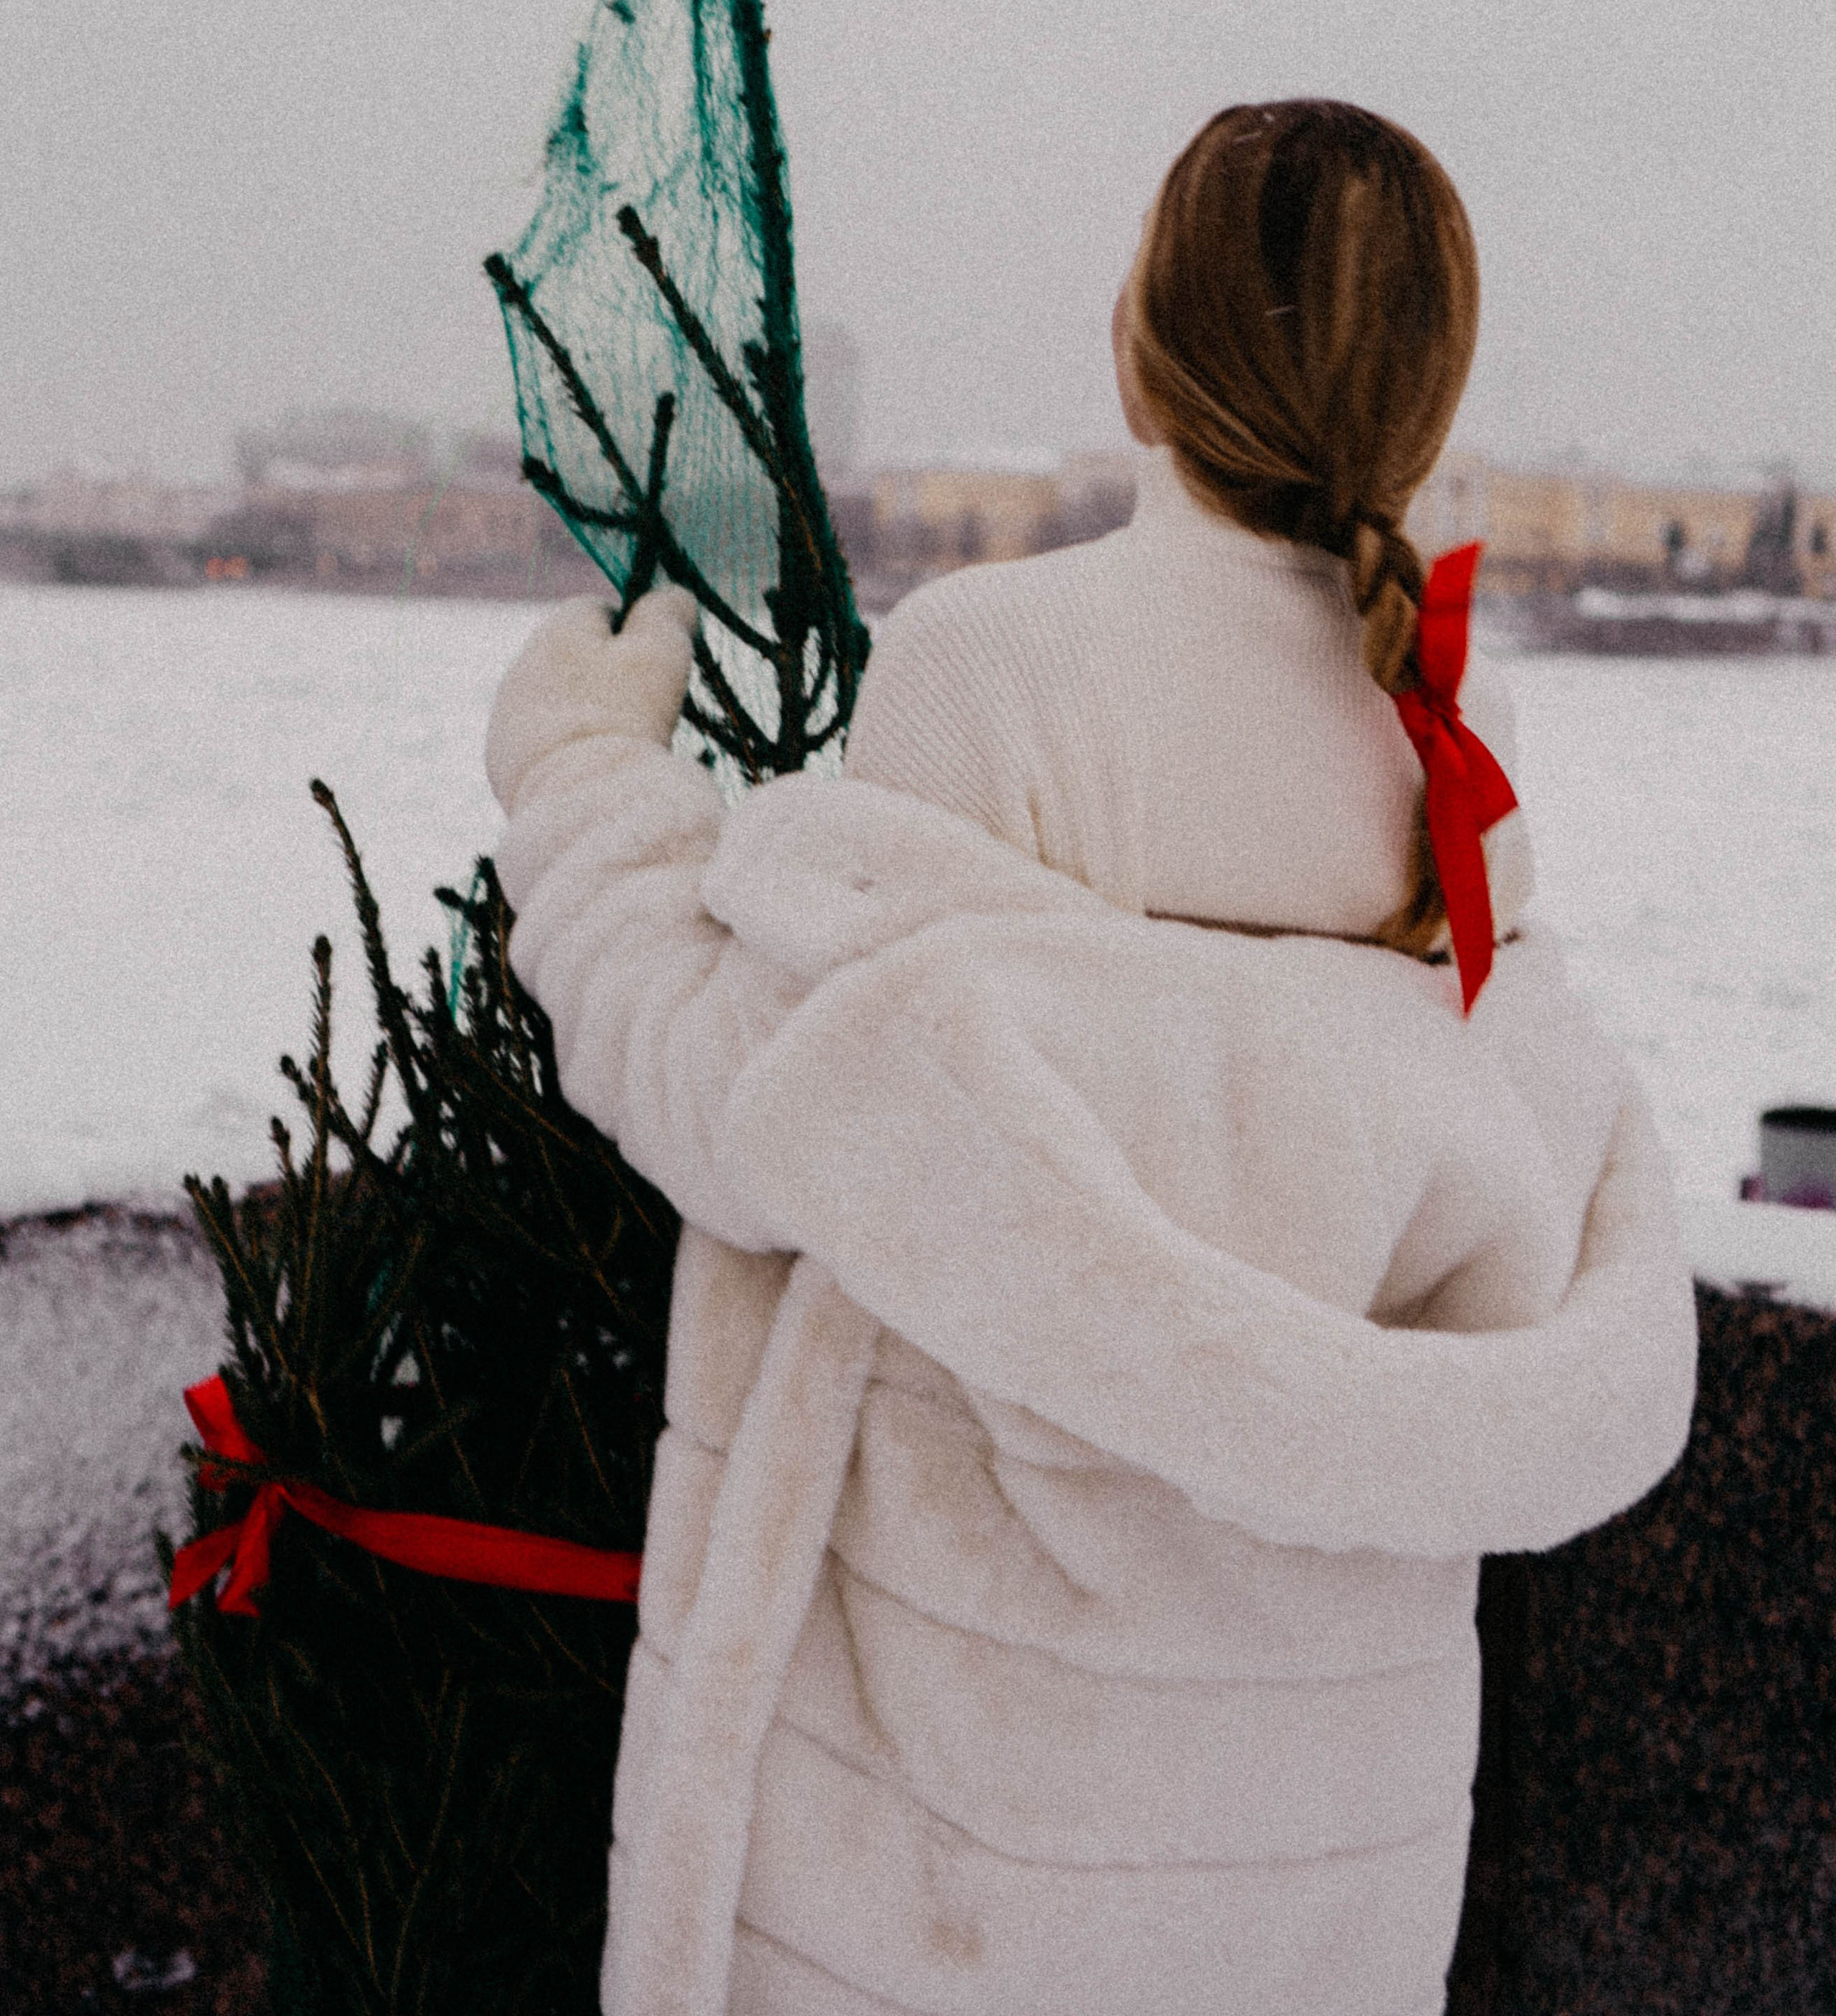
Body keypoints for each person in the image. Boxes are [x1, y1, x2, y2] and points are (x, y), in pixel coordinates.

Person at [484, 98, 1696, 2016]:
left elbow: (762, 1099)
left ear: (1145, 343)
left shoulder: (996, 663)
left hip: (956, 1856)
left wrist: (576, 778)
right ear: (1425, 391)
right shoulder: (1451, 732)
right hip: (1319, 1873)